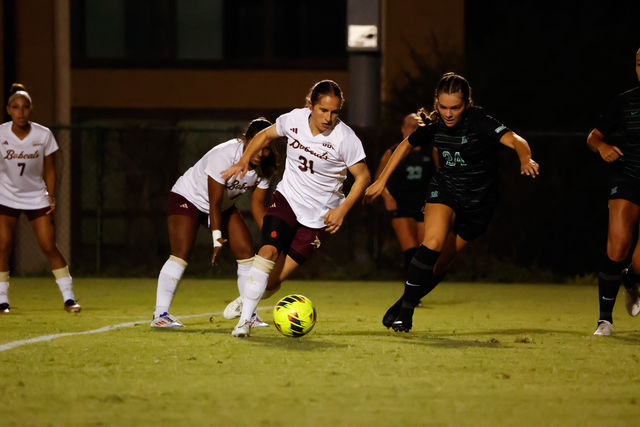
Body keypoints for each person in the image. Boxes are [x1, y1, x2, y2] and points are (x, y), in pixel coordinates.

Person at [365, 72, 539, 332]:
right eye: (443, 107)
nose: (448, 113)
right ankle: (407, 315)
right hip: (445, 191)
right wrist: (381, 181)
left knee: (441, 264)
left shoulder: (480, 121)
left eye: (455, 108)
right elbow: (404, 146)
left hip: (479, 204)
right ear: (437, 103)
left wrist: (526, 158)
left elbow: (516, 140)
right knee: (432, 242)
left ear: (467, 104)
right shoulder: (434, 125)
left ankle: (404, 302)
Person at [222, 79, 371, 337]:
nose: (328, 117)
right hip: (288, 199)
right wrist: (244, 160)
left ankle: (247, 297)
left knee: (274, 280)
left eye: (335, 112)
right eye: (323, 110)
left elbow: (363, 177)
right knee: (267, 252)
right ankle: (245, 321)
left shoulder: (345, 138)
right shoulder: (294, 119)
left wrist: (342, 210)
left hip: (320, 217)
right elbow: (265, 134)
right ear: (310, 105)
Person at [151, 117, 278, 328]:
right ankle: (160, 315)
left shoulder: (266, 166)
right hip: (188, 198)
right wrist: (216, 237)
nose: (260, 153)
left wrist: (272, 236)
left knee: (246, 252)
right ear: (245, 140)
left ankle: (249, 314)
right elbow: (214, 201)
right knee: (181, 253)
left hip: (222, 206)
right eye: (256, 146)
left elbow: (257, 205)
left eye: (265, 148)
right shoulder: (225, 155)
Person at [0, 83, 80, 313]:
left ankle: (69, 299)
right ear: (8, 110)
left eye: (25, 107)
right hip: (6, 196)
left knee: (48, 246)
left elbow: (51, 169)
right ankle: (2, 300)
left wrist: (51, 196)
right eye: (15, 107)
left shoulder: (43, 134)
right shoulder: (1, 133)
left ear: (31, 109)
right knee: (3, 245)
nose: (20, 112)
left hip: (36, 197)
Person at [586, 47, 640, 336]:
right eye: (639, 63)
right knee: (618, 245)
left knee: (639, 263)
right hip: (628, 176)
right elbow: (593, 137)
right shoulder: (624, 101)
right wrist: (603, 147)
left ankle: (631, 278)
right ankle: (604, 320)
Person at [374, 113, 434, 270]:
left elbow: (441, 177)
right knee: (410, 250)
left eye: (416, 126)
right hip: (401, 205)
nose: (412, 129)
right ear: (403, 129)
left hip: (423, 205)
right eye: (409, 125)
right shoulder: (392, 152)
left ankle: (421, 286)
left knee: (424, 251)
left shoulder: (431, 151)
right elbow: (379, 180)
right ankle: (412, 290)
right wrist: (387, 197)